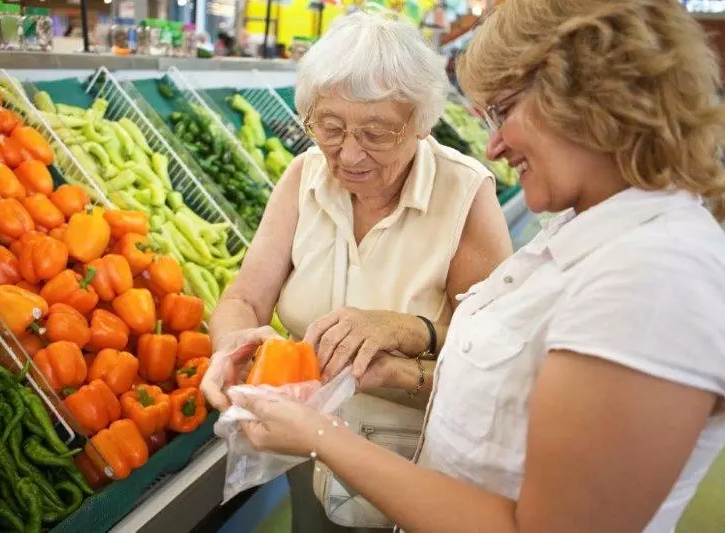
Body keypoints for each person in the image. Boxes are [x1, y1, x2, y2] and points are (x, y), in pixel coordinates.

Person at [227, 1, 725, 532]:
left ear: (588, 101)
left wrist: (321, 437)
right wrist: (393, 370)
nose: (494, 145)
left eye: (503, 111)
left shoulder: (657, 276)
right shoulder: (586, 235)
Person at [202, 9, 513, 533]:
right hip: (304, 457)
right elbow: (244, 299)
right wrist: (230, 345)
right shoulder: (303, 176)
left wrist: (405, 336)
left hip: (418, 472)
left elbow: (495, 366)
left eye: (377, 132)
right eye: (330, 127)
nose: (348, 153)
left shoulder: (464, 193)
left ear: (421, 123)